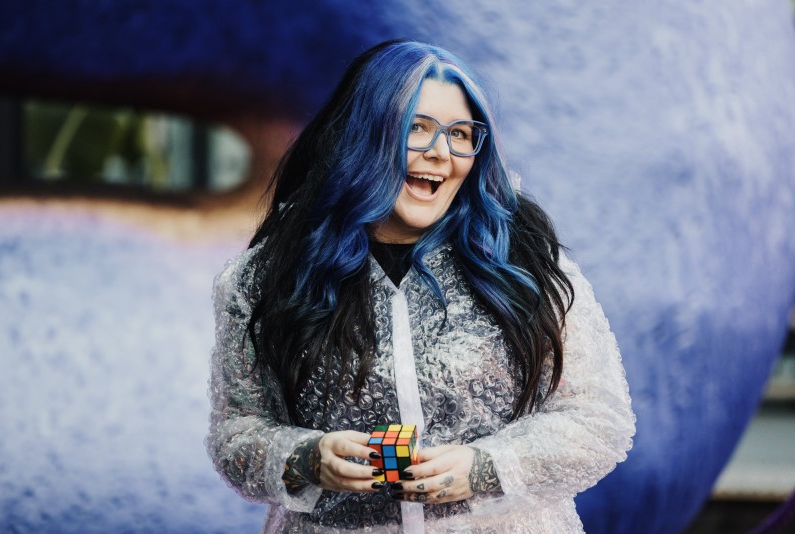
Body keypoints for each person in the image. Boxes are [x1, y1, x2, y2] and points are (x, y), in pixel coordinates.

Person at [206, 40, 634, 533]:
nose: (439, 152)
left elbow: (598, 421)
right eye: (417, 128)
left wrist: (484, 469)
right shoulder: (266, 277)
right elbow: (236, 434)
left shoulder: (527, 263)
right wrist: (307, 458)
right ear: (364, 134)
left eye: (460, 134)